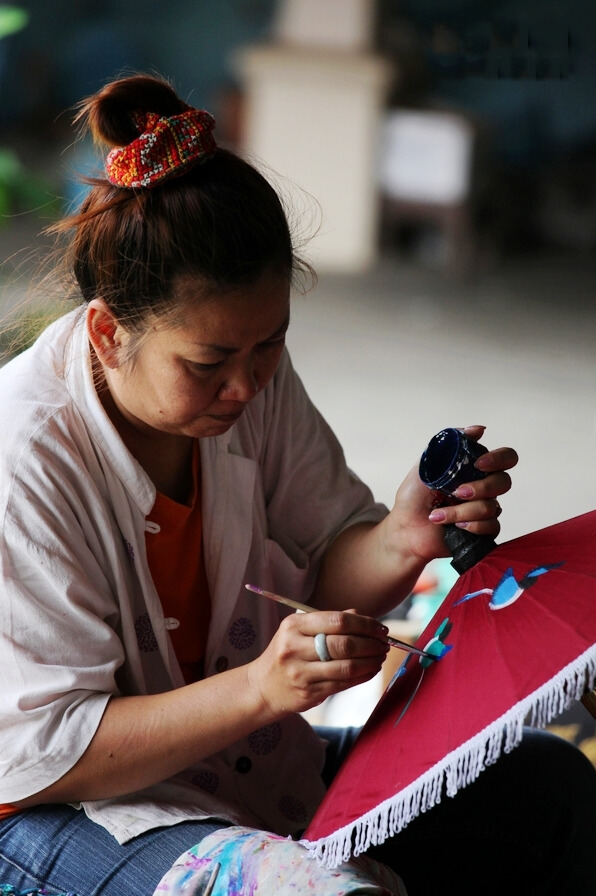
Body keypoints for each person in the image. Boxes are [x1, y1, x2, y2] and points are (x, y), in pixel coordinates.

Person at [0, 73, 595, 896]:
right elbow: (42, 753)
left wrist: (401, 539)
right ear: (107, 333)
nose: (247, 386)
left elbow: (323, 569)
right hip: (58, 812)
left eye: (270, 345)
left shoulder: (250, 385)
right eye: (208, 362)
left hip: (237, 771)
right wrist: (259, 688)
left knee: (550, 790)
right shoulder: (24, 458)